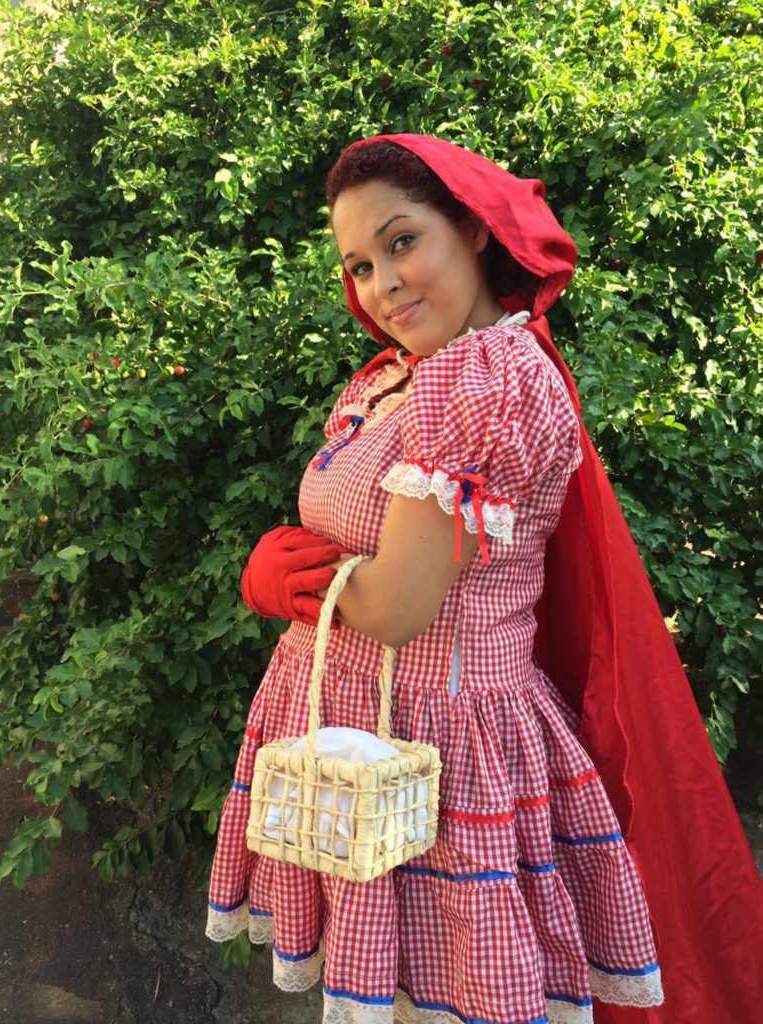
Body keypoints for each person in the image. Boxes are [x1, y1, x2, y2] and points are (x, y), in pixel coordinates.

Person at [206, 134, 763, 1024]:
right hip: (360, 735)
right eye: (357, 264)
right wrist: (321, 578)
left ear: (470, 230)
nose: (381, 283)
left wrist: (292, 585)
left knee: (461, 1000)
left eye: (400, 242)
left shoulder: (488, 379)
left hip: (447, 750)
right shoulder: (393, 379)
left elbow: (396, 609)